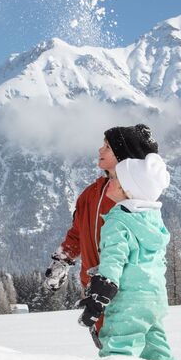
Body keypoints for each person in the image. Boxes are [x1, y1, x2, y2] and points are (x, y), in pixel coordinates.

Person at [76, 152, 175, 360]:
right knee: (157, 353)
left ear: (127, 190)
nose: (108, 182)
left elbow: (114, 259)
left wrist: (100, 294)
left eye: (113, 180)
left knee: (118, 351)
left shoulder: (117, 221)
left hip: (129, 301)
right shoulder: (152, 220)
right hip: (155, 300)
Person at [44, 124, 159, 305]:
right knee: (103, 334)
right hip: (92, 291)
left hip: (122, 295)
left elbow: (144, 246)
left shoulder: (133, 198)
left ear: (124, 157)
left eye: (107, 147)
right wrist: (63, 259)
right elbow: (78, 232)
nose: (100, 149)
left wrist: (109, 275)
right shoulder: (91, 193)